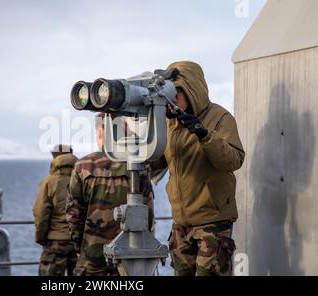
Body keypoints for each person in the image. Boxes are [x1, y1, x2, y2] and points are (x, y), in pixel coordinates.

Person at [156, 61, 245, 276]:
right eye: (168, 95)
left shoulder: (220, 118)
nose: (172, 100)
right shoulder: (169, 123)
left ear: (191, 91)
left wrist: (204, 134)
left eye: (176, 93)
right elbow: (159, 162)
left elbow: (234, 160)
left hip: (212, 223)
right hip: (181, 224)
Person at [66, 113, 155, 276]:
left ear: (100, 132)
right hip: (128, 254)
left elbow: (74, 215)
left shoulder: (82, 166)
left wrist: (81, 248)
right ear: (123, 131)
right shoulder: (137, 164)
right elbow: (147, 213)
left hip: (92, 254)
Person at [33, 144, 78, 276]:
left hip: (54, 242)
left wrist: (41, 238)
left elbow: (41, 214)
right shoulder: (83, 179)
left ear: (54, 158)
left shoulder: (49, 182)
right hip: (78, 243)